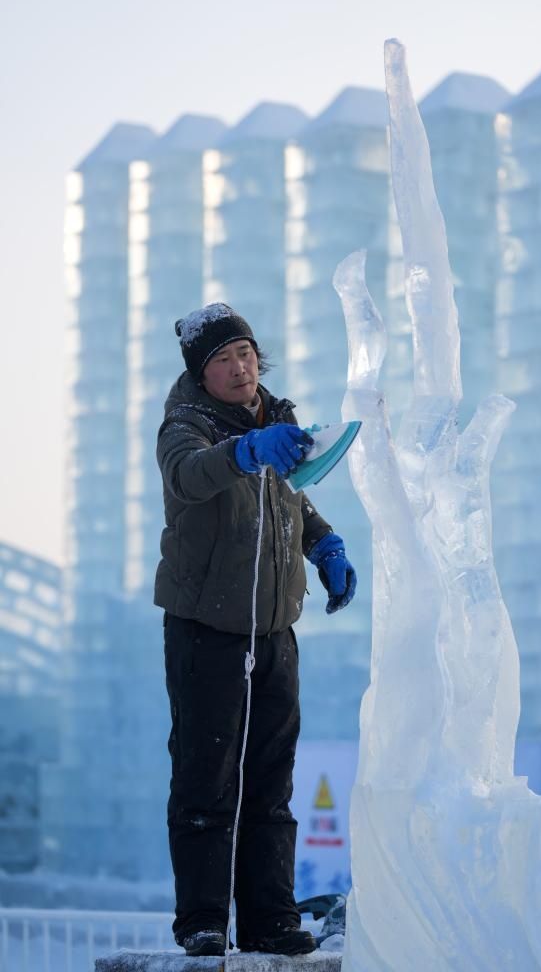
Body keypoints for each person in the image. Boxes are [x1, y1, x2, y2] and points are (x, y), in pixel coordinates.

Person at [154, 302, 357, 958]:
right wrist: (242, 450)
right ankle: (203, 923)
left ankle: (270, 919)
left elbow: (290, 494)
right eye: (222, 358)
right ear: (200, 371)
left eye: (244, 352)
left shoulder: (276, 417)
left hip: (272, 631)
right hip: (207, 630)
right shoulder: (183, 426)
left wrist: (324, 546)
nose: (239, 367)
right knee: (206, 780)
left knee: (272, 784)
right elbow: (192, 477)